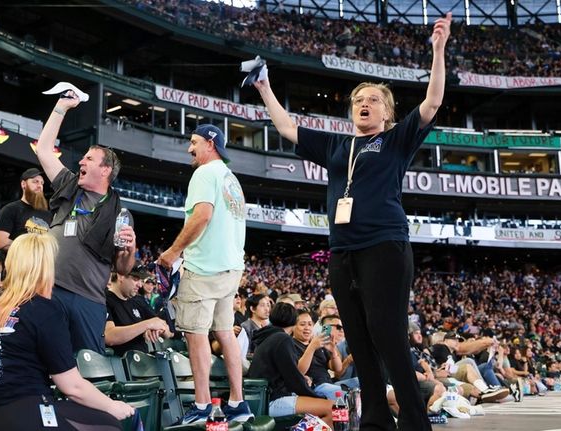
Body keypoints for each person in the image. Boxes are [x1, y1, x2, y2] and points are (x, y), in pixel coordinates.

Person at [253, 13, 452, 430]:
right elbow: (289, 128)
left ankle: (416, 422)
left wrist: (437, 50)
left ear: (387, 112)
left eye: (374, 100)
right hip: (342, 252)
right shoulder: (336, 146)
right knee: (360, 340)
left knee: (387, 334)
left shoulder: (396, 140)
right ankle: (376, 421)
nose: (365, 103)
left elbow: (432, 103)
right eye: (359, 99)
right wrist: (265, 89)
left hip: (385, 245)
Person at [0, 233, 135, 430]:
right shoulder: (44, 308)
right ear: (46, 268)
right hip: (22, 412)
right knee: (111, 425)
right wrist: (113, 406)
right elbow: (72, 387)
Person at [158, 124, 252, 423]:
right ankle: (238, 403)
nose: (189, 148)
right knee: (225, 333)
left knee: (196, 334)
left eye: (194, 142)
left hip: (204, 268)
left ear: (210, 143)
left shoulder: (204, 173)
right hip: (231, 268)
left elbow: (202, 216)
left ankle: (201, 407)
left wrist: (173, 252)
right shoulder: (231, 178)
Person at [35, 93, 136, 353]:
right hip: (49, 291)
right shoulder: (69, 186)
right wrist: (61, 107)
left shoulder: (119, 213)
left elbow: (123, 268)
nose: (81, 161)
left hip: (88, 301)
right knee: (42, 360)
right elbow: (44, 149)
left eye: (89, 159)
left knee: (87, 366)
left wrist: (130, 250)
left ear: (105, 171)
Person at [247, 303, 333, 426]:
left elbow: (287, 372)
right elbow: (293, 379)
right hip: (273, 399)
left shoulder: (272, 336)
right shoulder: (282, 338)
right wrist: (315, 396)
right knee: (331, 407)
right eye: (302, 323)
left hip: (267, 397)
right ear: (294, 321)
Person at [105, 263, 172, 356]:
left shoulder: (138, 301)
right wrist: (147, 325)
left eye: (141, 280)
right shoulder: (104, 299)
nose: (140, 285)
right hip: (118, 364)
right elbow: (110, 337)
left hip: (142, 362)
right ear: (121, 276)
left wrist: (159, 330)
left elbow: (168, 331)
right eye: (136, 279)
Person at [0, 167, 52, 253]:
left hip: (42, 265)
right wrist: (27, 251)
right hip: (19, 265)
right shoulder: (11, 209)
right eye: (35, 181)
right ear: (23, 184)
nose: (40, 186)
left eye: (42, 183)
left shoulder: (48, 214)